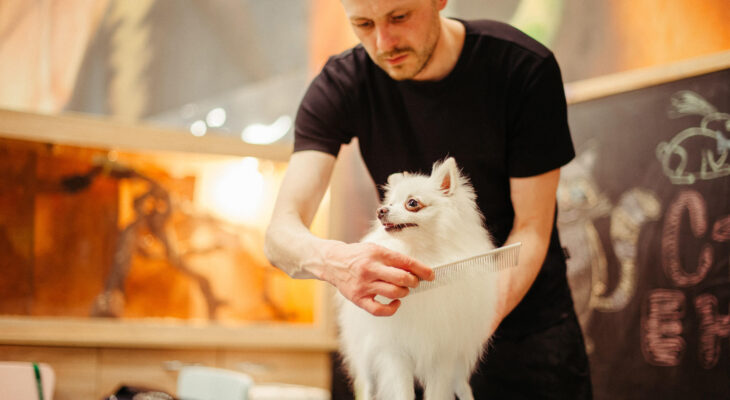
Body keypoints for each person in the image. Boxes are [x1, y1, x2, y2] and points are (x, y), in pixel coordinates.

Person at [264, 0, 592, 398]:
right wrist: (337, 263)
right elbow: (280, 234)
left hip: (526, 328)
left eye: (399, 17)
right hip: (407, 337)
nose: (383, 42)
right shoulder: (343, 83)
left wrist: (464, 327)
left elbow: (532, 229)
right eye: (363, 24)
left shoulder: (521, 67)